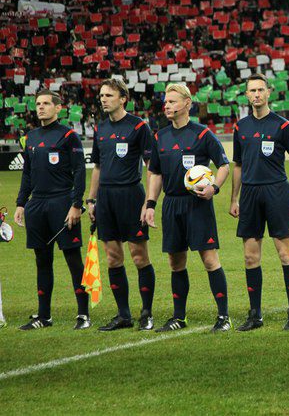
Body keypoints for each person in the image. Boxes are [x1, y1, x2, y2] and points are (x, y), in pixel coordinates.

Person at [143, 84, 231, 333]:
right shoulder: (160, 136)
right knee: (175, 262)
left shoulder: (202, 134)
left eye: (172, 101)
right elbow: (155, 173)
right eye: (166, 102)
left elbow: (223, 165)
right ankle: (179, 317)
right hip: (171, 204)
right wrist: (150, 204)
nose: (167, 106)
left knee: (210, 260)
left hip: (197, 204)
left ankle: (223, 317)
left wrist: (214, 187)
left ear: (187, 103)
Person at [230, 74, 289, 332]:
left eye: (260, 90)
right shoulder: (240, 127)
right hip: (250, 194)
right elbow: (238, 165)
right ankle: (255, 315)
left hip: (276, 192)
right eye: (252, 90)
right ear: (246, 95)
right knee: (250, 257)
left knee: (286, 254)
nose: (256, 94)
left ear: (268, 92)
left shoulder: (282, 126)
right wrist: (234, 198)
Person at [14, 89, 90, 330]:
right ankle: (44, 316)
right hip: (37, 205)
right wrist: (21, 203)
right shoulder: (30, 137)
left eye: (46, 103)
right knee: (42, 260)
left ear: (58, 108)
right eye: (38, 103)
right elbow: (27, 173)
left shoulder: (68, 136)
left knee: (73, 259)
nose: (40, 107)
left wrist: (76, 204)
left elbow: (79, 172)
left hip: (62, 203)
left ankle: (83, 314)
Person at [88, 78, 156, 331]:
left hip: (131, 196)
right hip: (106, 198)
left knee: (139, 256)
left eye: (109, 95)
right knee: (113, 257)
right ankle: (123, 315)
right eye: (101, 96)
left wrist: (148, 202)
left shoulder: (138, 126)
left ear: (123, 98)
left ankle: (146, 313)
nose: (103, 99)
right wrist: (91, 199)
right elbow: (97, 167)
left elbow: (151, 168)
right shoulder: (101, 128)